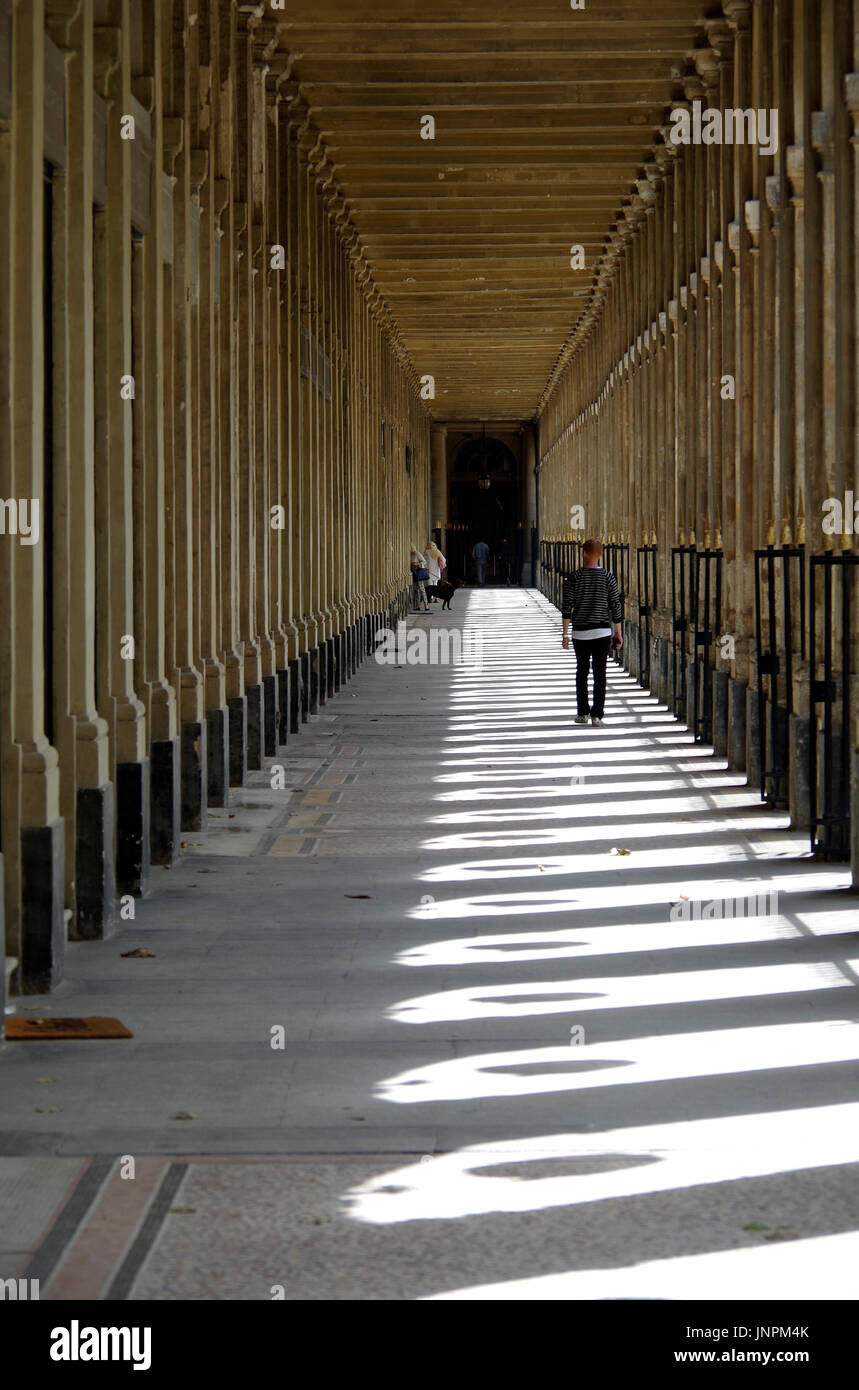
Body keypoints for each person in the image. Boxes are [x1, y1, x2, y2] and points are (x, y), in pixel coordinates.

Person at [561, 538, 623, 726]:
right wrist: (618, 632)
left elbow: (567, 607)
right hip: (602, 632)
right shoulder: (608, 577)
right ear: (601, 555)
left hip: (580, 632)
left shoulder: (574, 577)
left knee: (582, 672)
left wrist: (565, 634)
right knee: (600, 673)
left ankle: (582, 713)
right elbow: (615, 606)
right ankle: (597, 715)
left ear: (583, 553)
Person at [410, 546, 431, 613]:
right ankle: (417, 605)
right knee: (415, 590)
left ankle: (426, 604)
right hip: (413, 573)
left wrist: (417, 564)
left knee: (422, 589)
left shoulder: (416, 553)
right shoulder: (408, 554)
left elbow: (424, 561)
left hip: (418, 573)